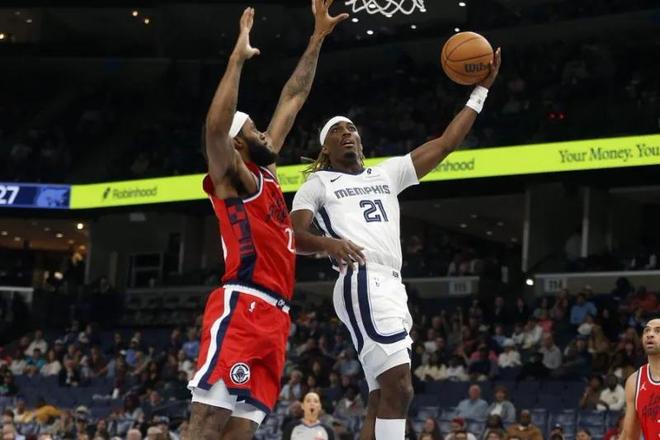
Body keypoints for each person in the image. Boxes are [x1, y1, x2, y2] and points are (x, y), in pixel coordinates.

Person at [291, 40, 502, 440]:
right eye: (336, 131)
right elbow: (294, 235)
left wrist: (481, 91)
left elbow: (445, 143)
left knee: (381, 395)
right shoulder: (317, 183)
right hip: (361, 278)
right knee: (401, 387)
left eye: (351, 128)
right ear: (325, 148)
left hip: (391, 284)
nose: (346, 133)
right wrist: (328, 244)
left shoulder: (387, 174)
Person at [184, 3, 347, 440]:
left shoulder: (267, 173)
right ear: (238, 144)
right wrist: (237, 61)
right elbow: (214, 130)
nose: (264, 134)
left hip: (276, 318)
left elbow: (293, 98)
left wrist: (317, 38)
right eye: (254, 131)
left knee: (241, 431)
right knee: (207, 421)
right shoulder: (233, 178)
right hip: (243, 304)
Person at [621, 318, 660, 440]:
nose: (650, 334)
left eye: (658, 331)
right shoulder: (634, 382)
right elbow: (629, 435)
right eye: (646, 331)